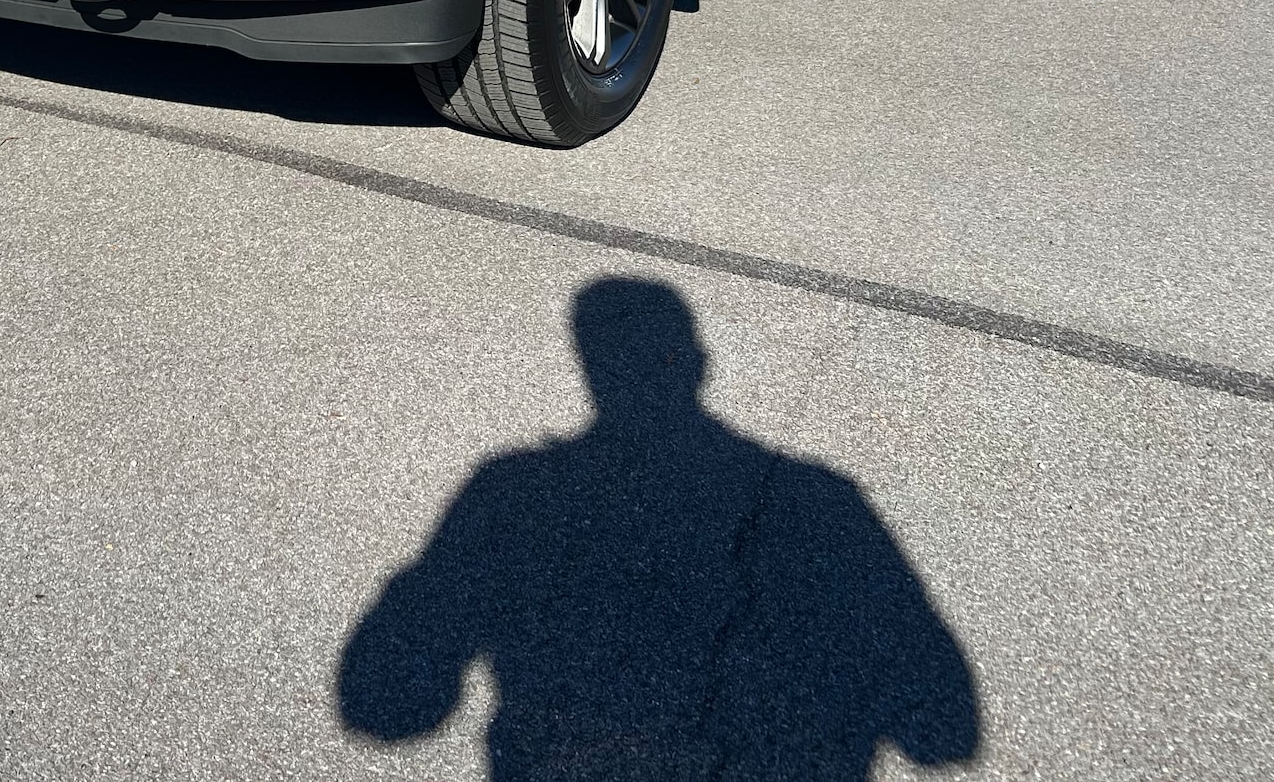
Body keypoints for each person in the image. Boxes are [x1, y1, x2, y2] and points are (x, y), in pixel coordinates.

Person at [336, 277, 980, 780]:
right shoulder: (825, 503)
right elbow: (944, 731)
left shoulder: (509, 491)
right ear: (698, 363)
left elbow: (384, 708)